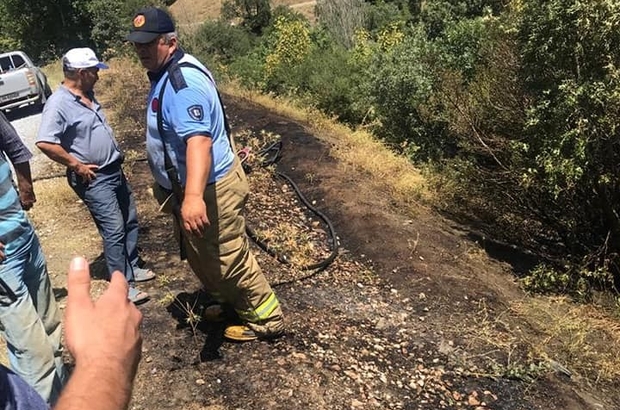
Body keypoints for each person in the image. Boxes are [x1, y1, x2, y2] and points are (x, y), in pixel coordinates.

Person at [127, 7, 284, 342]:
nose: (141, 50)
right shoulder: (164, 74)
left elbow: (199, 142)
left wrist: (195, 197)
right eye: (137, 44)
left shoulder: (183, 84)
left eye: (149, 43)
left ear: (170, 42)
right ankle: (230, 302)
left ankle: (267, 319)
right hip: (191, 188)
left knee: (228, 256)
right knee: (205, 254)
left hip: (211, 189)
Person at [36, 47, 154, 305]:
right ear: (81, 73)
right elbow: (45, 142)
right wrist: (76, 165)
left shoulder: (87, 93)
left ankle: (132, 266)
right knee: (113, 228)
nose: (98, 76)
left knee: (129, 219)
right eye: (94, 71)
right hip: (94, 177)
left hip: (113, 170)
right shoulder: (59, 104)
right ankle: (121, 285)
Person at [0, 256, 143, 410]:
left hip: (22, 242)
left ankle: (63, 395)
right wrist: (106, 363)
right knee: (33, 353)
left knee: (51, 335)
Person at [0, 111, 67, 404]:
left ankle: (63, 399)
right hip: (3, 264)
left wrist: (25, 188)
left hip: (24, 236)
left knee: (51, 330)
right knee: (32, 352)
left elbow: (13, 145)